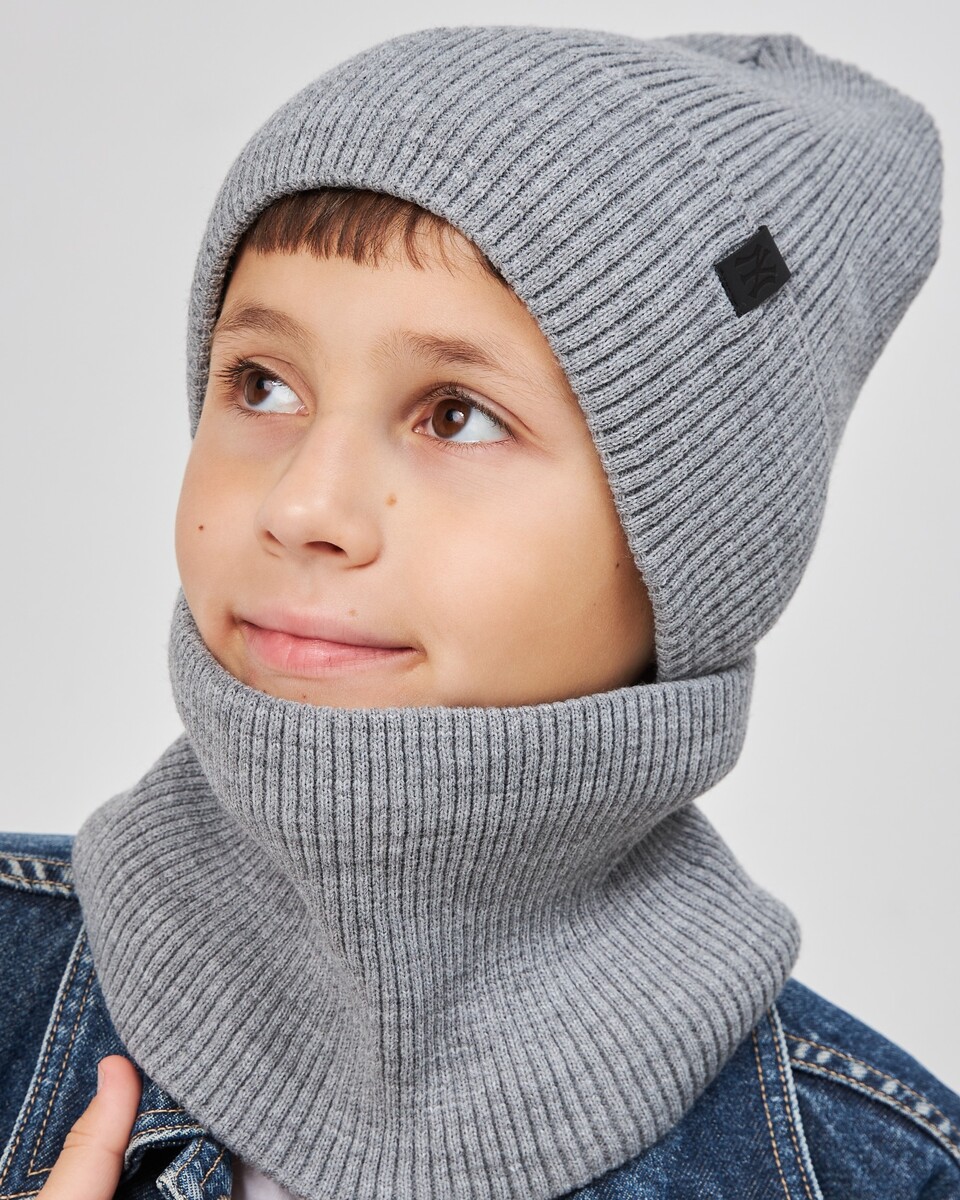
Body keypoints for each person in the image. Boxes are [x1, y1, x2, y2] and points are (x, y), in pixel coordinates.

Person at [1, 24, 957, 1200]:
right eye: (263, 385)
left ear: (695, 546)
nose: (303, 505)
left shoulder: (878, 1173)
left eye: (456, 415)